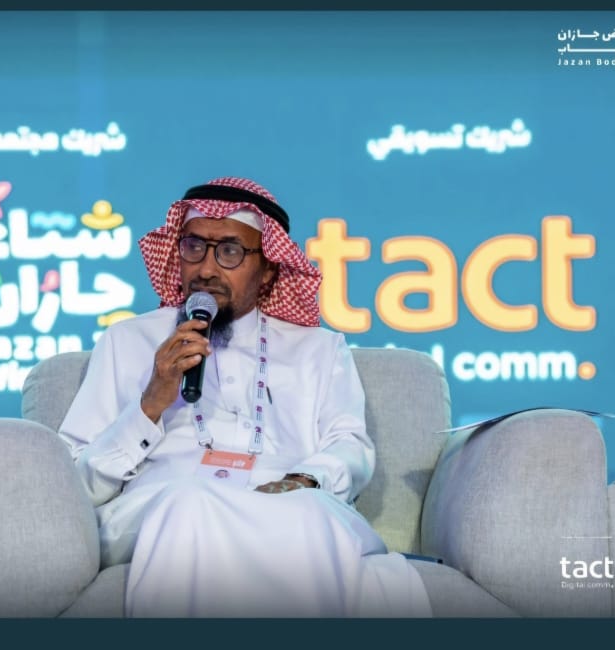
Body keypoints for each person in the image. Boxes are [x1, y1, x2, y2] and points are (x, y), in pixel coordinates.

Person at [57, 176, 431, 617]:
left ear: (268, 267)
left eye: (230, 251)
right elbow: (74, 480)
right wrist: (150, 403)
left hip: (284, 501)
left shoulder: (318, 349)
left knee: (309, 513)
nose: (206, 268)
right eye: (194, 247)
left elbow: (349, 445)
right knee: (189, 504)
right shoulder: (126, 341)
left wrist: (304, 479)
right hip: (162, 504)